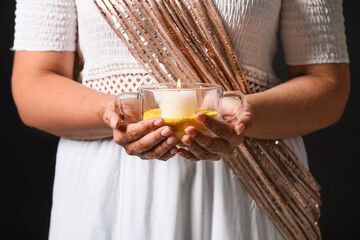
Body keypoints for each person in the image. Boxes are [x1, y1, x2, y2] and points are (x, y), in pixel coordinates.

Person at [11, 0, 350, 239]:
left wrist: (248, 114)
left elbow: (327, 83)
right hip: (108, 187)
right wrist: (110, 114)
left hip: (248, 180)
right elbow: (33, 83)